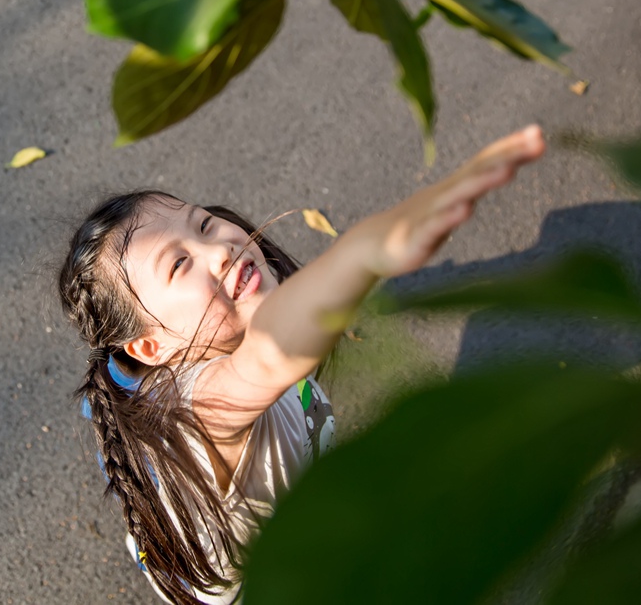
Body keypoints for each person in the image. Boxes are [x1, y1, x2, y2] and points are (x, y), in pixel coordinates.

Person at [57, 125, 547, 604]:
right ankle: (165, 541)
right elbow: (268, 356)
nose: (218, 248)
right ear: (149, 348)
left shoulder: (240, 331)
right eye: (179, 264)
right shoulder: (200, 410)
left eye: (204, 223)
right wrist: (364, 252)